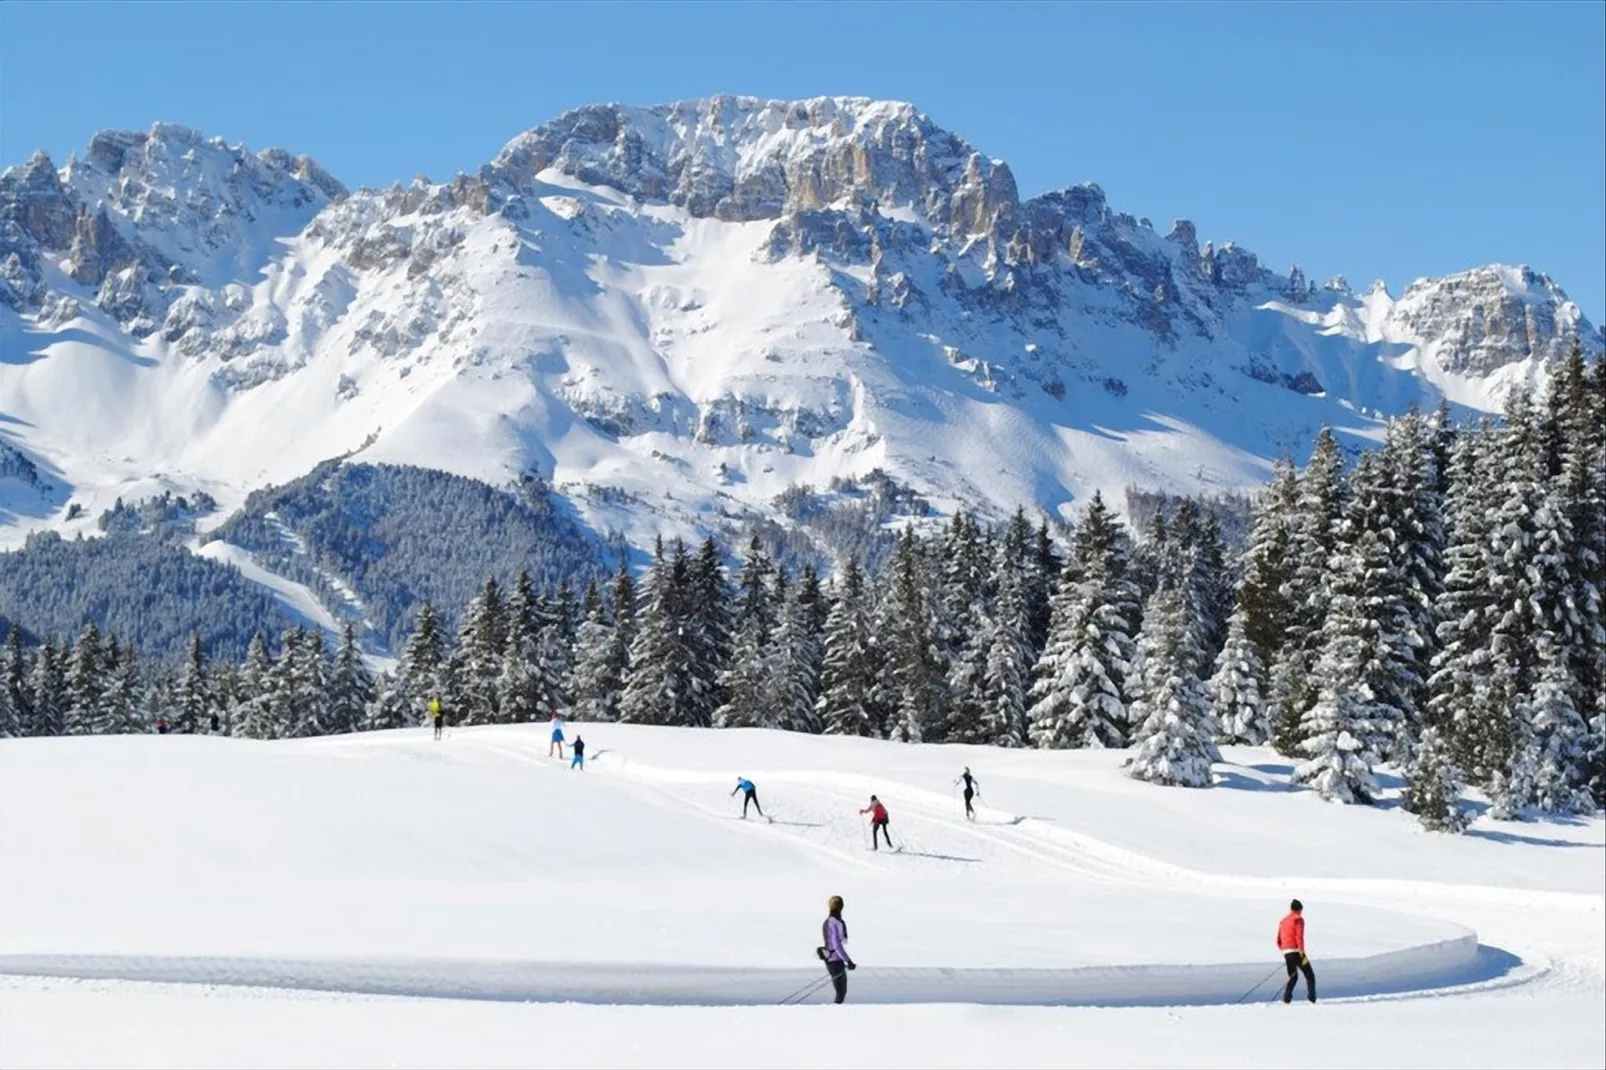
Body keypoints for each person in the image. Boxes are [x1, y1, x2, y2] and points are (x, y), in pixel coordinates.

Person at [818, 894, 856, 1004]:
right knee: (841, 991)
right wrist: (848, 960)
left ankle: (836, 1012)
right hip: (834, 960)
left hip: (834, 960)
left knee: (841, 991)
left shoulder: (833, 921)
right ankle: (835, 1013)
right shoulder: (834, 922)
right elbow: (836, 945)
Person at [1278, 898, 1317, 1004]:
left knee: (1293, 976)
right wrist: (1301, 951)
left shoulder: (1283, 921)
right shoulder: (1298, 919)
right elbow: (1299, 936)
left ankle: (1286, 999)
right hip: (1297, 952)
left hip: (1286, 952)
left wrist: (1285, 951)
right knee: (1310, 975)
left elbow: (1278, 940)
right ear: (1299, 909)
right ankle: (1311, 999)